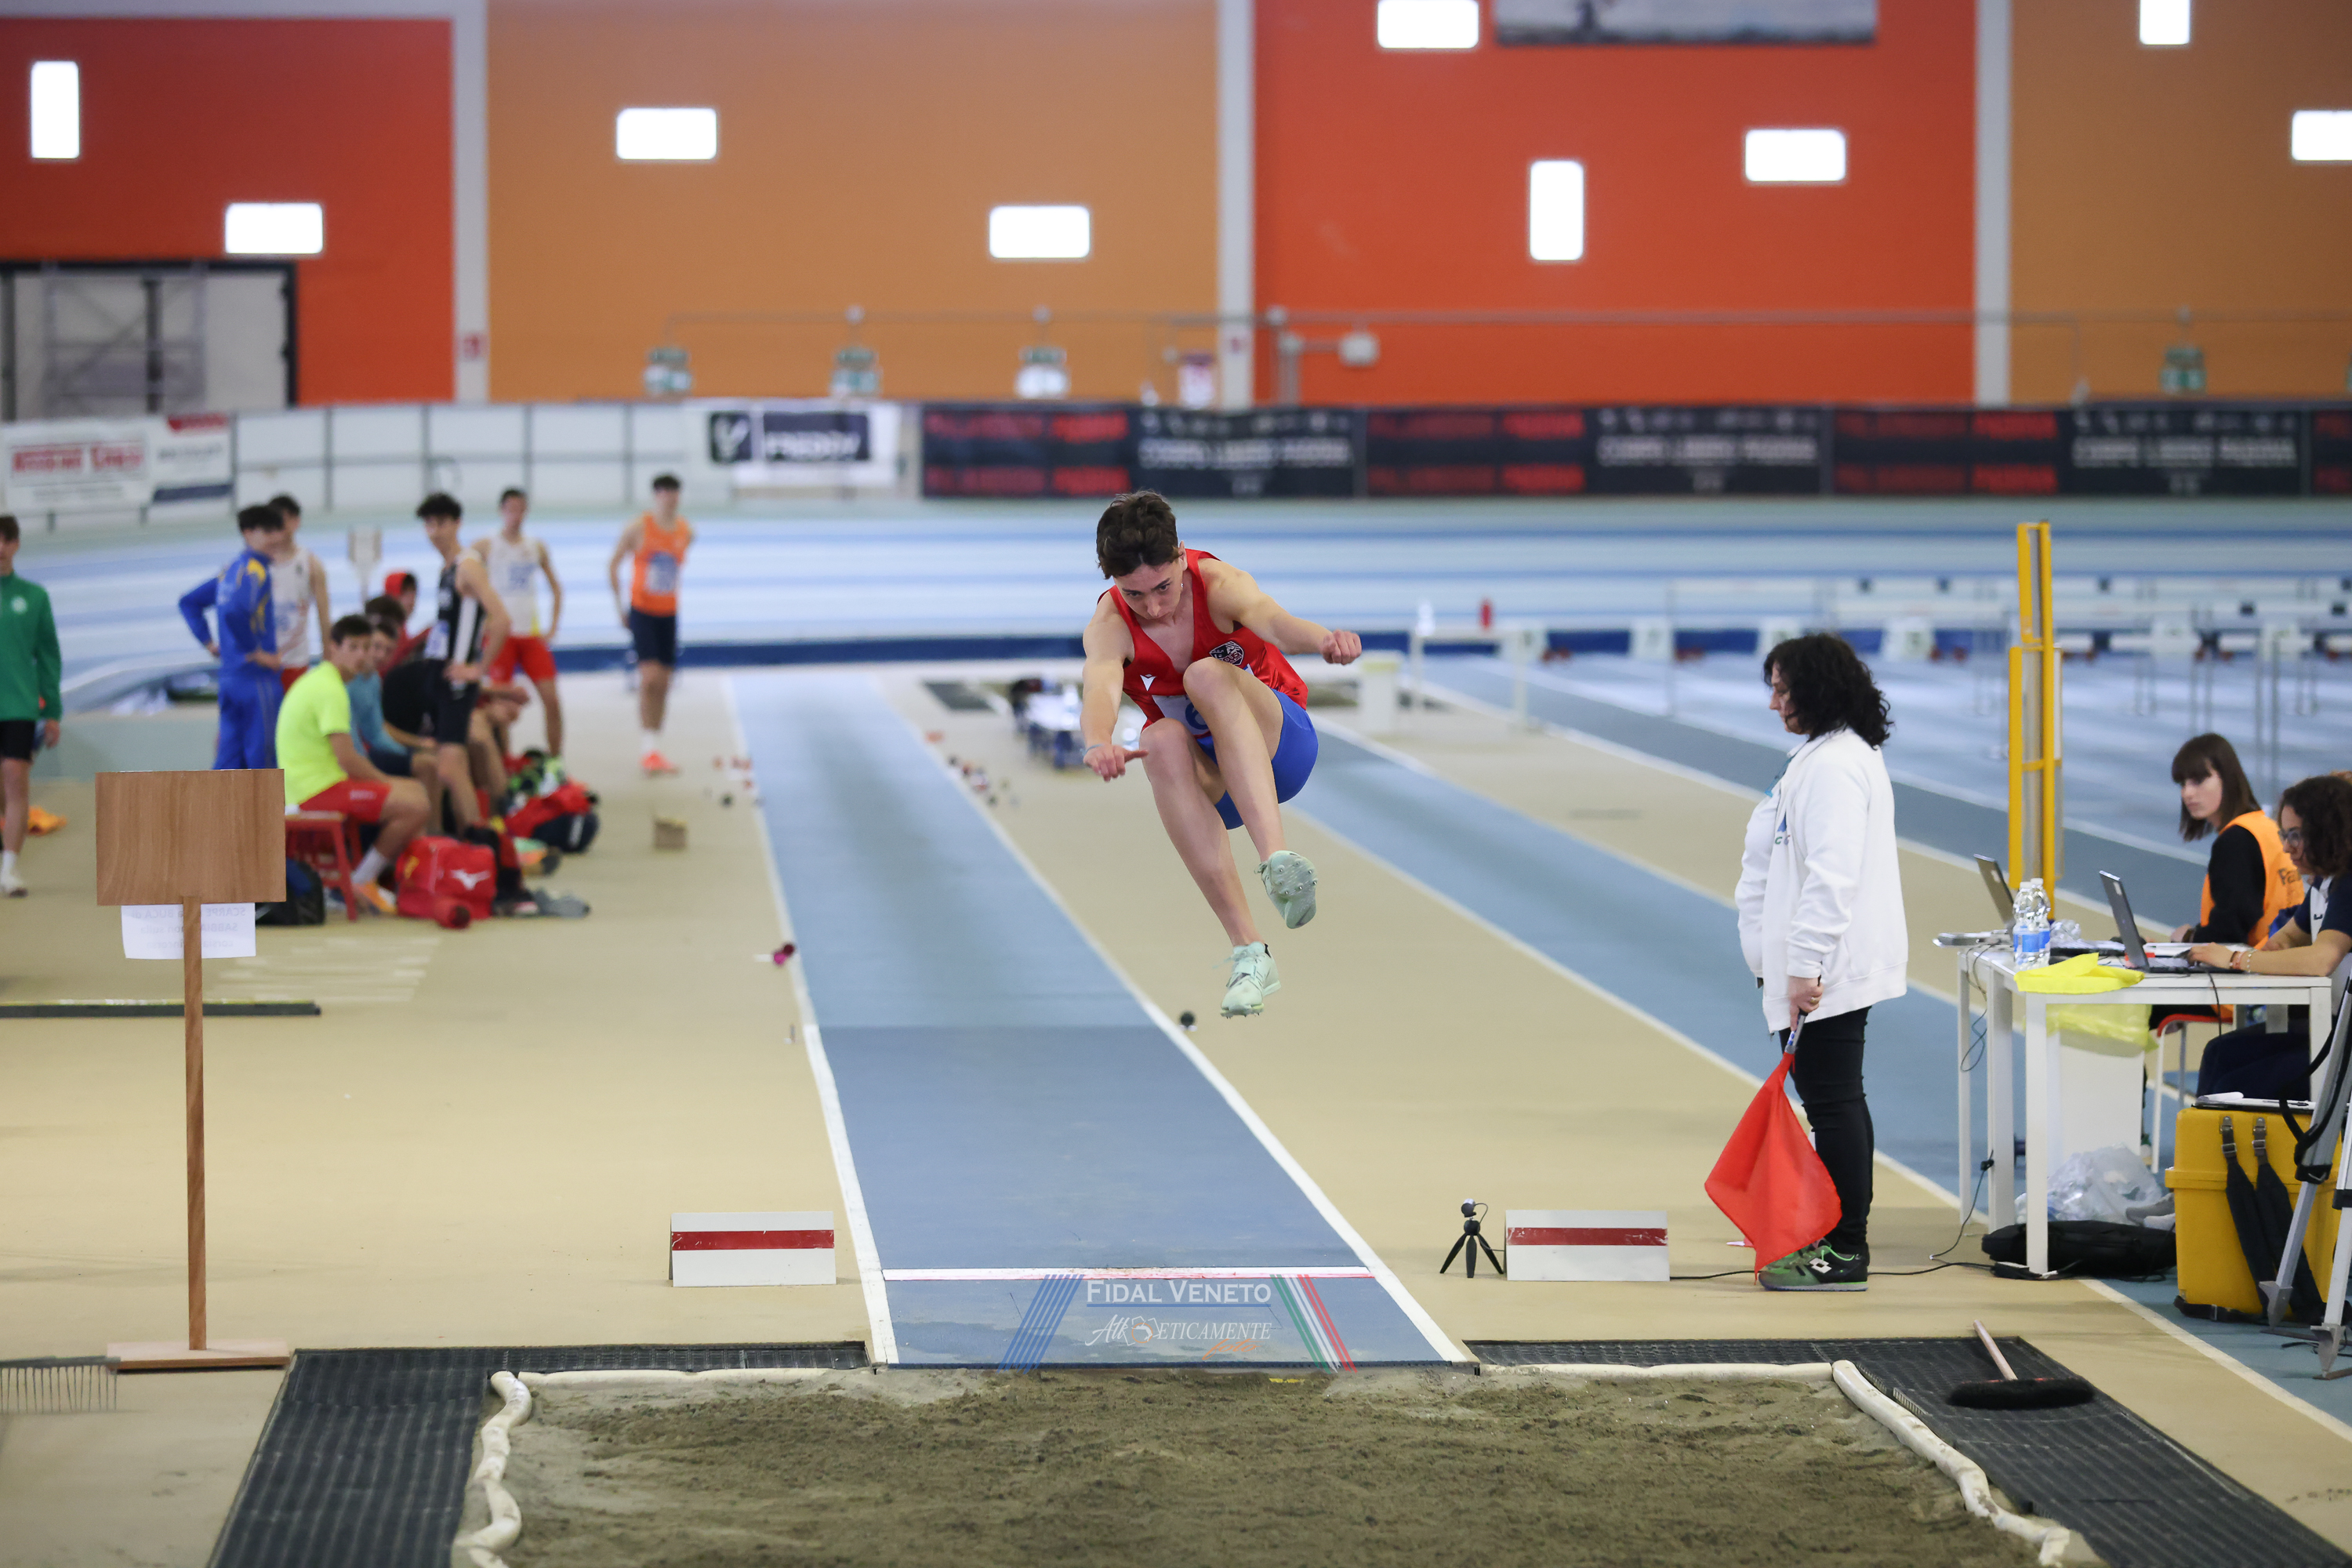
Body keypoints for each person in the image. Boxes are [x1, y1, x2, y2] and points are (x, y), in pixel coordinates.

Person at [1076, 492, 1359, 1018]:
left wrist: (1324, 641)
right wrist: (1098, 743)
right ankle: (1250, 954)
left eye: (1164, 587)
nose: (1154, 608)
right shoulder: (1109, 626)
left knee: (1204, 674)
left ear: (1181, 556)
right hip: (1219, 788)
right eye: (1135, 595)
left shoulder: (1219, 584)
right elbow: (1100, 690)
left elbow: (1275, 622)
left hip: (1280, 748)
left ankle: (1277, 861)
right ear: (1114, 583)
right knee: (1159, 739)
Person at [1734, 633, 1907, 1291]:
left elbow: (1833, 877)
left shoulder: (1835, 767)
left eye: (1784, 690)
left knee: (1833, 1103)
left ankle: (1846, 1248)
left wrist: (1804, 965)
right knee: (1828, 1100)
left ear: (1817, 689)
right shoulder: (1818, 757)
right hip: (1806, 967)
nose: (1774, 703)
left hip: (1825, 970)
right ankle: (1829, 1234)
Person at [2188, 774, 2352, 1099]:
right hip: (2332, 1029)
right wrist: (2271, 953)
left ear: (2325, 833)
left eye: (2295, 835)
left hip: (2343, 1042)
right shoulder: (2323, 883)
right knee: (2219, 1054)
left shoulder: (2348, 884)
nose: (2286, 847)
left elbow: (2321, 959)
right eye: (2284, 835)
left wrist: (2238, 959)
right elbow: (2285, 940)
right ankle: (2204, 1133)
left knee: (2233, 1088)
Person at [275, 615, 429, 915]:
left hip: (316, 783)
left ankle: (408, 879)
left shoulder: (326, 681)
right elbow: (347, 758)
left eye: (366, 647)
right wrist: (385, 781)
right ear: (333, 648)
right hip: (313, 791)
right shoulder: (330, 689)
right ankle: (362, 881)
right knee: (416, 804)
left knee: (414, 792)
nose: (362, 655)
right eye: (353, 647)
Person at [415, 494, 510, 831]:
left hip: (457, 681)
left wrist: (478, 670)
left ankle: (482, 838)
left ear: (457, 524)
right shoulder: (446, 568)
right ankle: (474, 834)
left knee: (450, 769)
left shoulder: (467, 566)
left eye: (441, 523)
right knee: (450, 768)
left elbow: (501, 619)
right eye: (429, 524)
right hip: (443, 678)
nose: (434, 532)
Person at [2165, 734, 2304, 946]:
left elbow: (2228, 934)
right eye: (2182, 784)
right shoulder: (2265, 827)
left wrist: (2187, 938)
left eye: (2198, 781)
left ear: (2227, 778)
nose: (2187, 793)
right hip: (2283, 954)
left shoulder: (2236, 841)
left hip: (2258, 961)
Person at [178, 506, 285, 768]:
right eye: (268, 531)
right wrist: (256, 652)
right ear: (248, 533)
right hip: (256, 679)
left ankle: (218, 800)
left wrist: (208, 642)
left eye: (278, 530)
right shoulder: (256, 571)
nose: (276, 538)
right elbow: (235, 612)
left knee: (228, 763)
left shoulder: (230, 571)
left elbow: (189, 602)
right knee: (264, 763)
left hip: (230, 679)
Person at [608, 474, 691, 775]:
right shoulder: (638, 528)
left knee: (665, 683)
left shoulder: (686, 531)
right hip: (642, 611)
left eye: (674, 491)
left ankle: (655, 747)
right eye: (664, 492)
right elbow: (613, 565)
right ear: (656, 495)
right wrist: (620, 607)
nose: (669, 497)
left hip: (669, 613)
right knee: (650, 679)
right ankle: (647, 748)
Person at [474, 487, 565, 755]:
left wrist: (553, 627)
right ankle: (503, 762)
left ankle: (555, 761)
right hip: (500, 637)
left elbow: (556, 588)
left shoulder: (536, 547)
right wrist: (481, 624)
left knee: (552, 700)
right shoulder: (486, 546)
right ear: (501, 511)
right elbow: (465, 583)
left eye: (521, 510)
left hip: (530, 635)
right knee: (501, 706)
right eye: (511, 509)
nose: (516, 515)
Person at [0, 515, 62, 898]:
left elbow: (49, 656)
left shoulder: (34, 597)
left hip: (19, 707)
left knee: (14, 779)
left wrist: (52, 710)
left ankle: (9, 869)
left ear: (16, 545)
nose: (0, 547)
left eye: (5, 540)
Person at [267, 493, 332, 691]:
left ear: (296, 522)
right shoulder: (258, 563)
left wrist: (328, 657)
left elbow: (324, 615)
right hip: (264, 661)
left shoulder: (311, 564)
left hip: (295, 661)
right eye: (273, 520)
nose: (278, 526)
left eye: (283, 520)